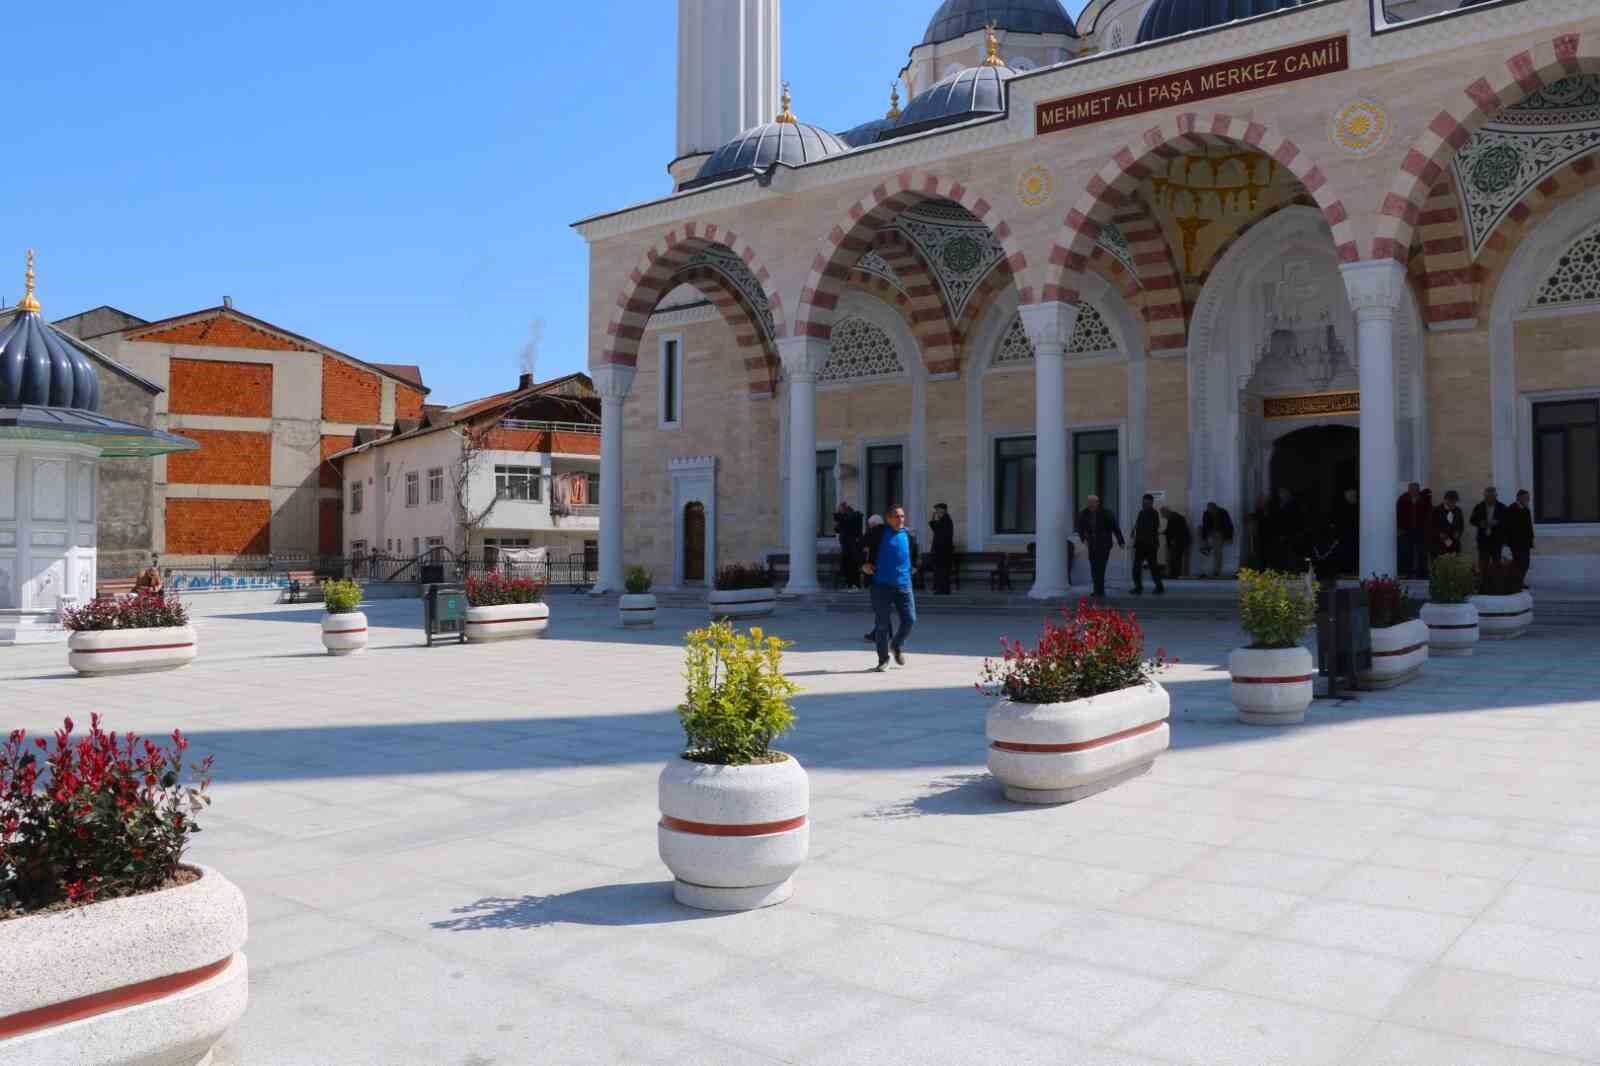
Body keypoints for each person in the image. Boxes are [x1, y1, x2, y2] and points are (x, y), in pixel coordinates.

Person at [862, 505, 918, 671]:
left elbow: (912, 553)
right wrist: (863, 564)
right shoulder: (878, 532)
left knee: (910, 619)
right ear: (888, 518)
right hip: (881, 585)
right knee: (882, 624)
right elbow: (857, 546)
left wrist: (914, 566)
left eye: (902, 516)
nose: (900, 519)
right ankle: (883, 659)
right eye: (896, 516)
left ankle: (896, 645)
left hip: (904, 584)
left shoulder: (907, 534)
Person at [1075, 494, 1125, 597]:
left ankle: (1100, 590)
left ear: (1098, 503)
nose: (1091, 504)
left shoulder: (1106, 513)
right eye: (1089, 502)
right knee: (1094, 567)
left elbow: (1115, 528)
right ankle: (1096, 589)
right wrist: (1083, 539)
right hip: (1092, 544)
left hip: (1104, 543)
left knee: (1101, 566)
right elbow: (1080, 527)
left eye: (1094, 502)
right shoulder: (1084, 514)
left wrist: (1121, 541)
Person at [1396, 482, 1432, 579]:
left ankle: (1422, 573)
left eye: (1416, 490)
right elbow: (1398, 515)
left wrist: (1427, 529)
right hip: (1406, 530)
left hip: (1421, 530)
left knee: (1422, 552)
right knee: (1407, 552)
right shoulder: (1402, 499)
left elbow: (1429, 514)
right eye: (1411, 490)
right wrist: (1399, 528)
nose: (1413, 492)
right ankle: (1407, 573)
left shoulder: (1425, 499)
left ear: (1418, 490)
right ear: (1408, 490)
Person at [1131, 494, 1165, 595]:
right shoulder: (1141, 513)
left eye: (1146, 502)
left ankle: (1159, 587)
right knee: (1136, 567)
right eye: (1143, 502)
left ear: (1151, 502)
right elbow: (1138, 525)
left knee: (1153, 567)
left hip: (1150, 545)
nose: (1144, 504)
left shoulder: (1154, 513)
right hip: (1140, 544)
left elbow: (1152, 528)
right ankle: (1138, 587)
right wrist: (1134, 531)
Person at [1470, 487, 1509, 570]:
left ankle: (1496, 582)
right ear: (1484, 496)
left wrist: (1498, 522)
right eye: (1488, 497)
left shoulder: (1502, 507)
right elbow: (1472, 520)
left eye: (1492, 497)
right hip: (1483, 541)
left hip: (1497, 540)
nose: (1490, 499)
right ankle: (1484, 582)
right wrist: (1480, 523)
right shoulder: (1479, 507)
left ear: (1496, 496)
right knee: (1483, 564)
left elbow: (1508, 522)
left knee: (1497, 565)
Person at [1505, 489, 1535, 587]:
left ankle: (1520, 581)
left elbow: (1529, 526)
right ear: (1519, 498)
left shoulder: (1526, 510)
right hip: (1515, 542)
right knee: (1518, 563)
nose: (1528, 499)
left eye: (1528, 498)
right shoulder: (1511, 509)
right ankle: (1517, 582)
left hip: (1525, 542)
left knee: (1526, 563)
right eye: (1526, 498)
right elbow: (1507, 526)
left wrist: (1531, 539)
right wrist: (1508, 541)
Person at [1269, 487, 1303, 572]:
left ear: (1287, 494)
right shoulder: (1278, 504)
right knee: (1282, 553)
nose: (1280, 494)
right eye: (1280, 493)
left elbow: (1293, 520)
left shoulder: (1293, 505)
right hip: (1281, 533)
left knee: (1291, 553)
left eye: (1282, 492)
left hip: (1290, 533)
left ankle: (1291, 570)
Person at [834, 501, 864, 590]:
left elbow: (838, 526)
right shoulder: (851, 517)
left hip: (850, 545)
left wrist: (838, 515)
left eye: (840, 510)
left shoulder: (850, 517)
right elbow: (838, 528)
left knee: (850, 564)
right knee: (851, 565)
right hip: (850, 545)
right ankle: (852, 583)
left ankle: (852, 583)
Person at [1199, 502, 1234, 578]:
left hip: (1219, 533)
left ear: (1215, 508)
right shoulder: (1206, 513)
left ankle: (1216, 571)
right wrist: (1204, 537)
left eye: (1211, 509)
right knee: (1210, 552)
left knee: (1217, 552)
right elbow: (1205, 525)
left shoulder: (1223, 512)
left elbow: (1228, 524)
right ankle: (1209, 570)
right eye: (1209, 509)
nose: (1210, 511)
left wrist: (1229, 537)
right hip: (1210, 533)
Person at [927, 503, 955, 595]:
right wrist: (933, 516)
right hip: (940, 551)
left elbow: (938, 530)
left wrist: (934, 518)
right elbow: (933, 526)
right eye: (936, 511)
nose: (937, 513)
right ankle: (940, 588)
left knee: (942, 571)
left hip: (943, 551)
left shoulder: (946, 520)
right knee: (939, 571)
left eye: (938, 511)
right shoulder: (943, 520)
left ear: (943, 511)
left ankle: (943, 589)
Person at [1332, 487, 1359, 575]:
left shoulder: (1358, 508)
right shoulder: (1341, 508)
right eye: (1350, 495)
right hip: (1345, 538)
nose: (1353, 496)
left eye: (1354, 495)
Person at [1430, 490, 1465, 560]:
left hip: (1454, 546)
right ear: (1445, 500)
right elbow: (1430, 526)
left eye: (1455, 501)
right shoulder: (1436, 511)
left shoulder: (1458, 510)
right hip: (1439, 546)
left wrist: (1458, 532)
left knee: (1454, 566)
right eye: (1451, 501)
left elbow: (1461, 525)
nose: (1453, 503)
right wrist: (1439, 534)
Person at [1159, 504, 1190, 579]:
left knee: (1175, 558)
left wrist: (1173, 541)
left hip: (1178, 542)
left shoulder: (1174, 518)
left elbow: (1176, 531)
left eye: (1162, 513)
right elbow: (1171, 530)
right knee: (1175, 558)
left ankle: (1174, 574)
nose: (1162, 516)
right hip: (1180, 541)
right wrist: (1163, 532)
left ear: (1166, 512)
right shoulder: (1174, 517)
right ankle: (1174, 573)